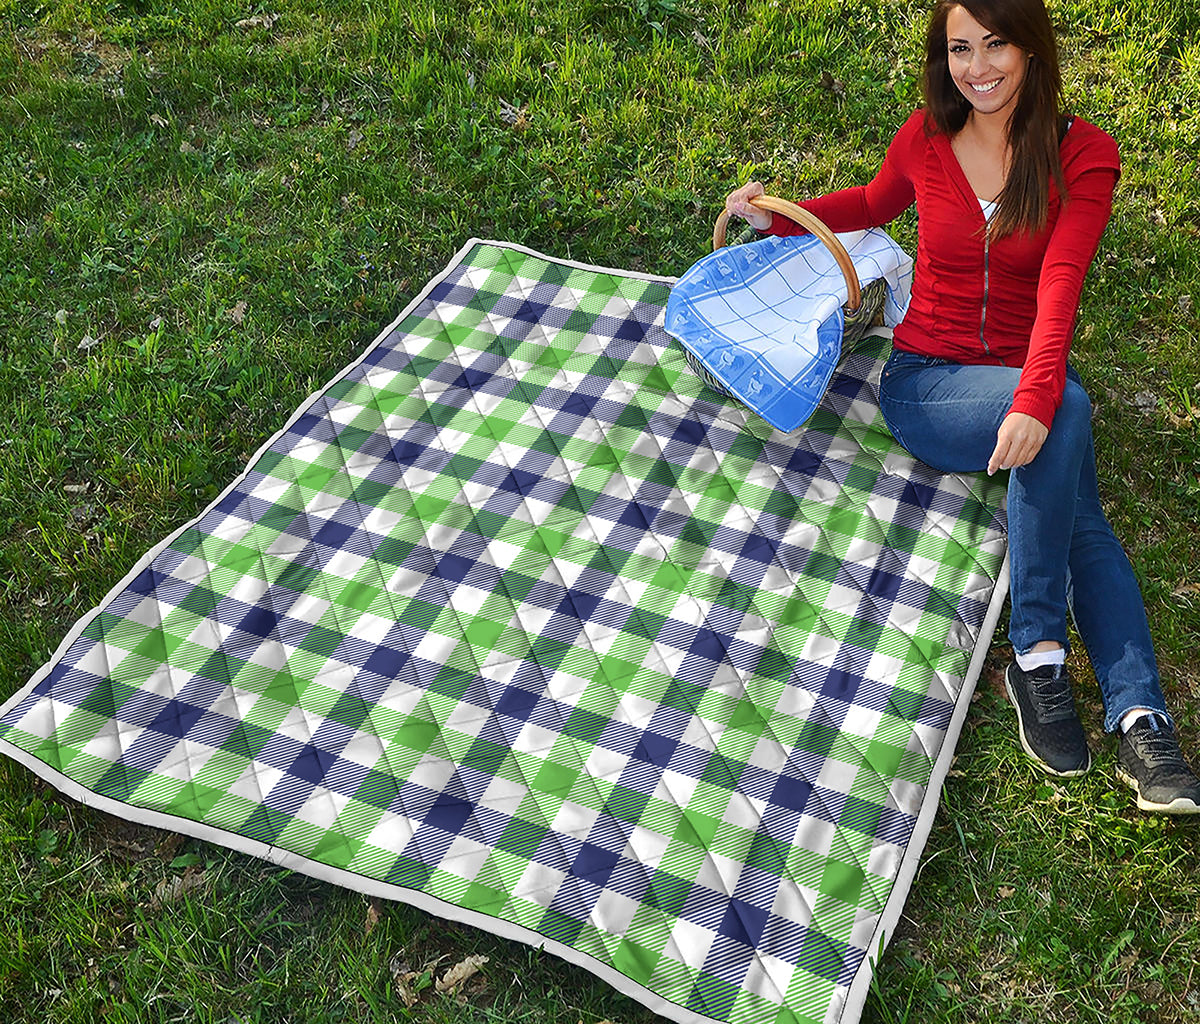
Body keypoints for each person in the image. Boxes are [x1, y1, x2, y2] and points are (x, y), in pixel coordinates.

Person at [724, 0, 1200, 814]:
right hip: (927, 383)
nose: (977, 68)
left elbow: (1061, 284)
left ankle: (1131, 712)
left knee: (1074, 477)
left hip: (1019, 376)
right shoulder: (926, 137)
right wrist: (779, 221)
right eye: (959, 49)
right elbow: (872, 204)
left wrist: (1037, 396)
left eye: (996, 44)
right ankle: (1048, 657)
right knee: (1070, 420)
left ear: (1032, 48)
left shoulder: (1083, 155)